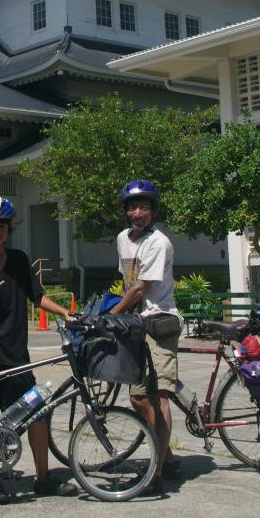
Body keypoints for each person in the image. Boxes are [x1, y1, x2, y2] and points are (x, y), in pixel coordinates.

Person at [0, 195, 77, 504]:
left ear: (8, 229)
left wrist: (64, 312)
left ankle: (43, 477)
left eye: (1, 226)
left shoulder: (20, 260)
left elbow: (37, 297)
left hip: (16, 355)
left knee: (37, 414)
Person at [109, 180, 182, 488]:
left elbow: (141, 288)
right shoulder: (123, 239)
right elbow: (127, 283)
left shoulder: (159, 243)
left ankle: (158, 471)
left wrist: (110, 316)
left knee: (159, 395)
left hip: (159, 323)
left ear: (153, 210)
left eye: (143, 207)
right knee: (139, 397)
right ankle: (165, 456)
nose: (137, 213)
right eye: (131, 207)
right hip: (136, 324)